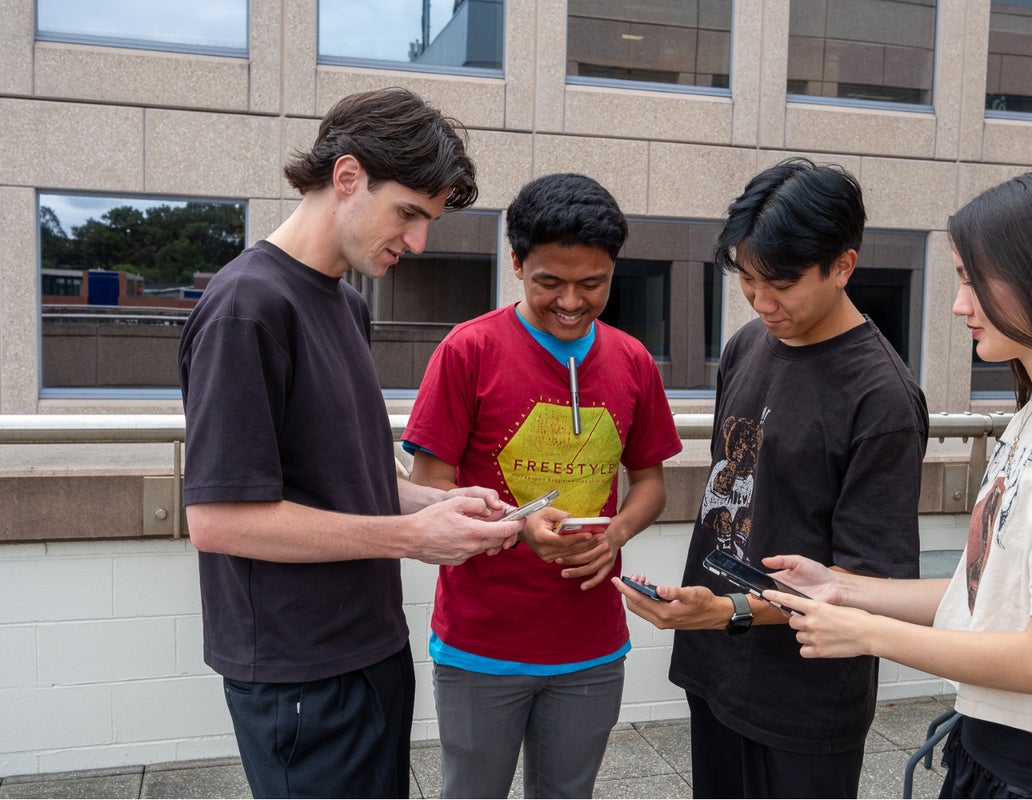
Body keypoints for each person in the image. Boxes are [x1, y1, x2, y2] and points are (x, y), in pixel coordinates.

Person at [763, 171, 1032, 798]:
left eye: (971, 278)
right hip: (996, 754)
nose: (958, 304)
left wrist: (864, 635)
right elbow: (990, 591)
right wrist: (845, 589)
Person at [178, 87, 525, 799]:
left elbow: (345, 475)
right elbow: (220, 520)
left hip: (368, 644)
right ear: (346, 177)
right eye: (409, 214)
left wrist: (441, 503)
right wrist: (409, 535)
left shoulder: (342, 301)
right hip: (298, 669)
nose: (419, 242)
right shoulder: (247, 308)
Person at [614, 157, 929, 798]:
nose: (761, 302)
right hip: (717, 665)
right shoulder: (747, 345)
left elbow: (869, 584)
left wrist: (726, 610)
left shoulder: (882, 399)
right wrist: (706, 612)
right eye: (748, 281)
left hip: (806, 698)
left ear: (842, 265)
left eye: (779, 284)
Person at [401, 172, 682, 798]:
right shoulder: (467, 350)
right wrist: (515, 526)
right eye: (550, 282)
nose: (572, 302)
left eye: (594, 284)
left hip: (591, 644)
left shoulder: (633, 360)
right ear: (517, 262)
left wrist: (619, 532)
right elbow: (428, 487)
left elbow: (651, 485)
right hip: (481, 641)